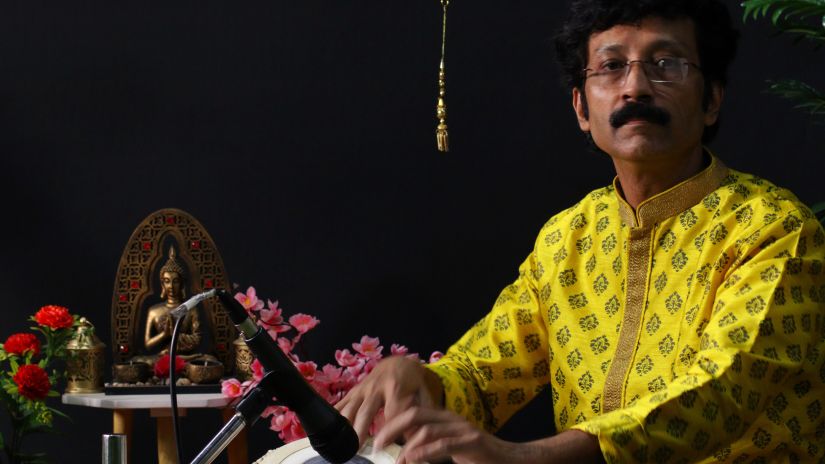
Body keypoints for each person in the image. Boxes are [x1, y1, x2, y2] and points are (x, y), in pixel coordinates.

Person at [336, 1, 825, 462]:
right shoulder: (567, 238)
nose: (635, 87)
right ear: (581, 110)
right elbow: (487, 369)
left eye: (666, 63)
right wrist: (425, 380)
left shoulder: (776, 229)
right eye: (612, 67)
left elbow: (722, 391)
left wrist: (529, 456)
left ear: (712, 100)